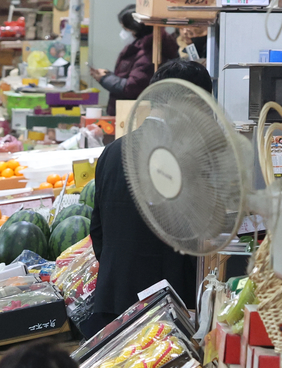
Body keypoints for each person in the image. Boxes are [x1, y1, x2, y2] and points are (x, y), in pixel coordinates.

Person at [84, 59, 211, 337]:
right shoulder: (188, 159)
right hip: (165, 313)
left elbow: (98, 230)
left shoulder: (112, 151)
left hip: (112, 303)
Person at [91, 4, 178, 116]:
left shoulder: (149, 52)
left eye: (126, 29)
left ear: (137, 28)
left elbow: (133, 86)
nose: (123, 33)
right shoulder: (138, 47)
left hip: (135, 114)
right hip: (128, 112)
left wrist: (105, 78)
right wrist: (109, 76)